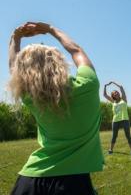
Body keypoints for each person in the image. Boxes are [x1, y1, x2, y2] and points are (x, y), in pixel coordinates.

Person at [9, 22, 104, 195]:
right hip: (73, 184)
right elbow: (76, 50)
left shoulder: (32, 98)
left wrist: (15, 38)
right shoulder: (88, 85)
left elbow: (13, 68)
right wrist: (51, 29)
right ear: (59, 62)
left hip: (30, 181)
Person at [104, 81, 131, 155]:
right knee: (114, 135)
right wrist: (105, 86)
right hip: (115, 120)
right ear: (113, 96)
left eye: (117, 92)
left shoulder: (123, 99)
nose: (116, 93)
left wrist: (113, 82)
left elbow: (121, 87)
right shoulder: (113, 101)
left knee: (128, 135)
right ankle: (111, 149)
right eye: (114, 93)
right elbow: (104, 95)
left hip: (125, 119)